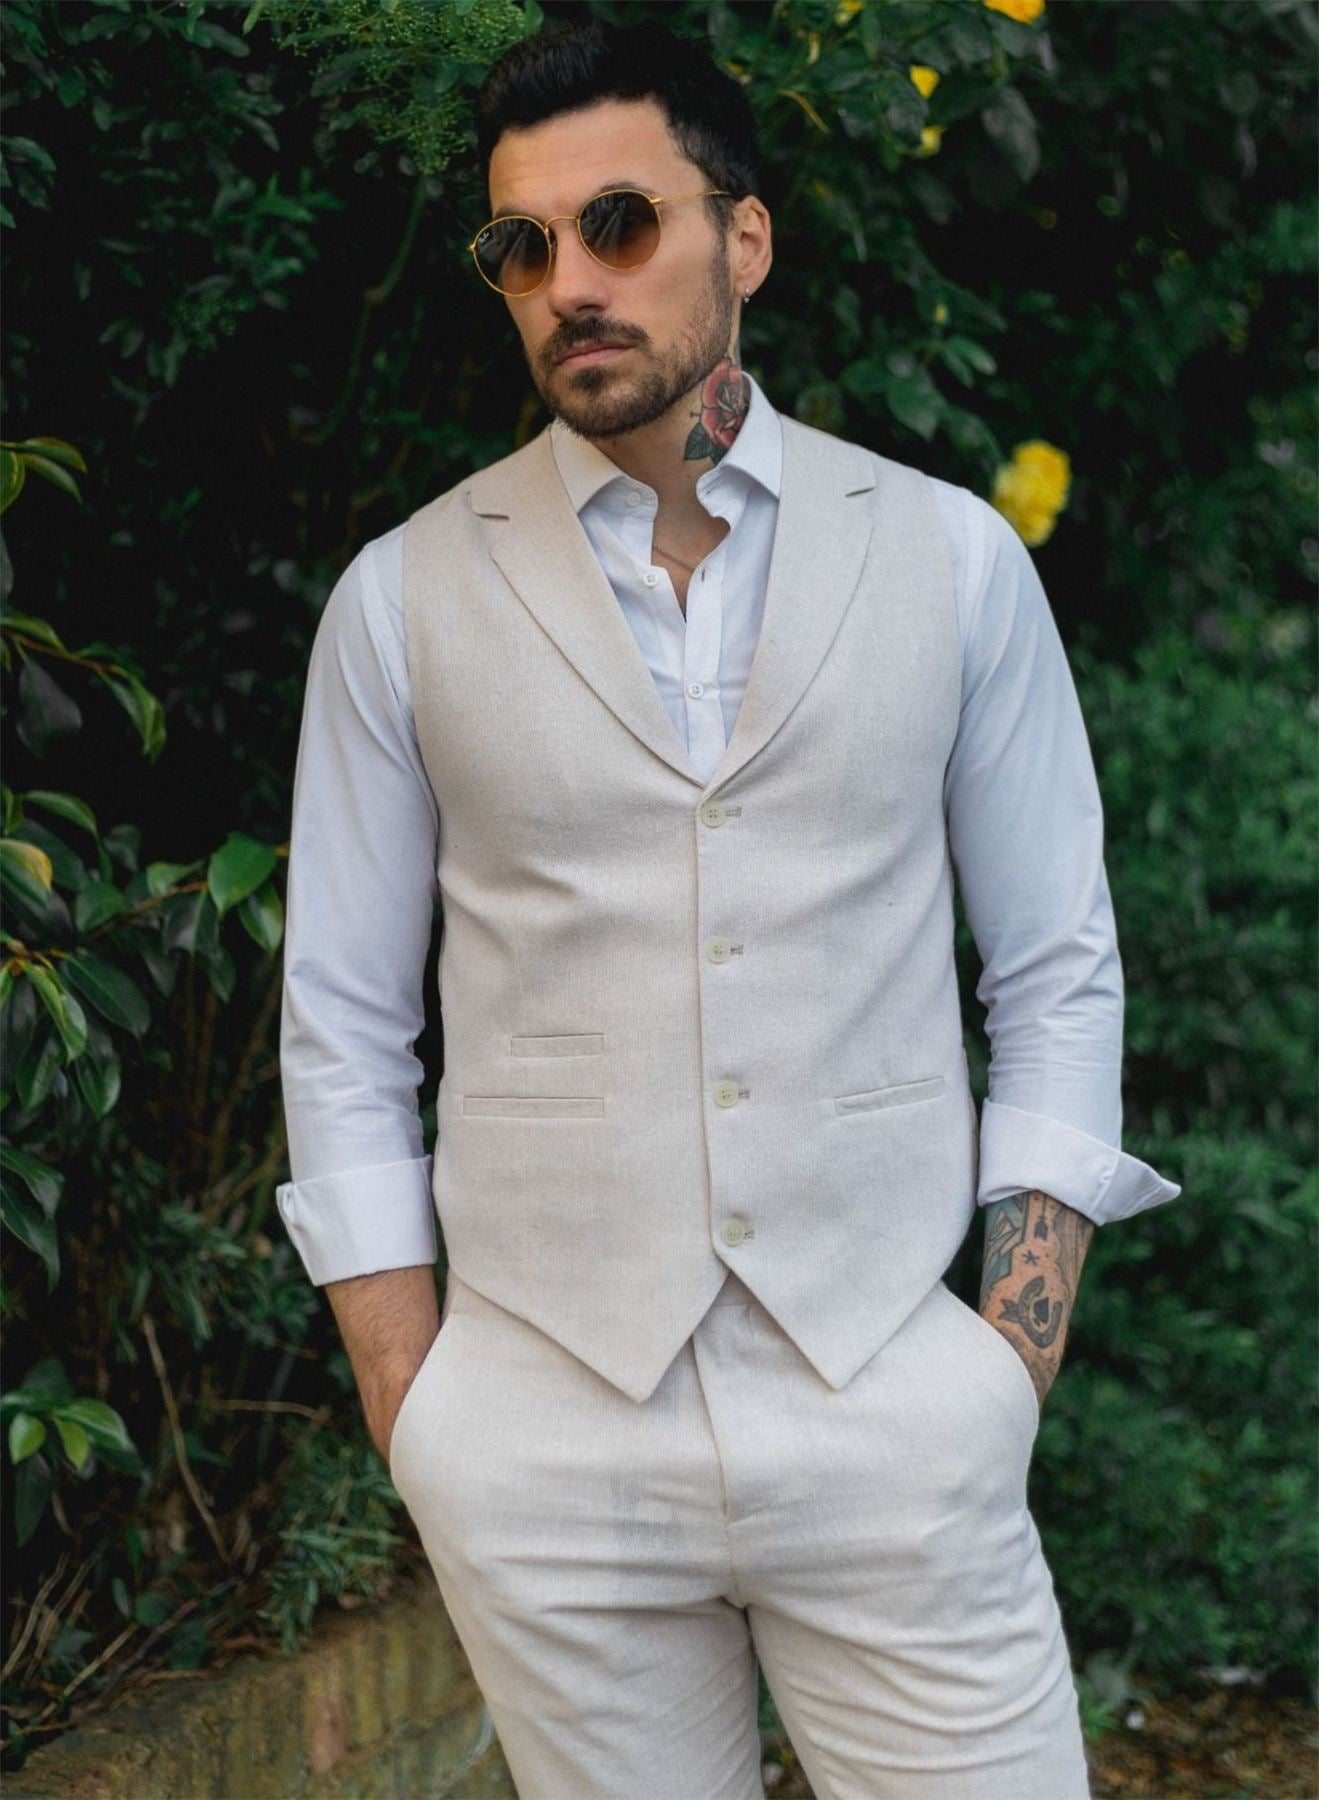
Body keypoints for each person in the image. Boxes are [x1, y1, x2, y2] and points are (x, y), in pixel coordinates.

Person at [275, 18, 1181, 1798]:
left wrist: (1003, 1370)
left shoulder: (948, 555)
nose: (569, 282)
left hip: (893, 1413)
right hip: (540, 1442)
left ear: (743, 238)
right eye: (522, 245)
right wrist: (419, 1413)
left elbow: (1059, 970)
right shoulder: (400, 598)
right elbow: (345, 1022)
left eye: (619, 223)